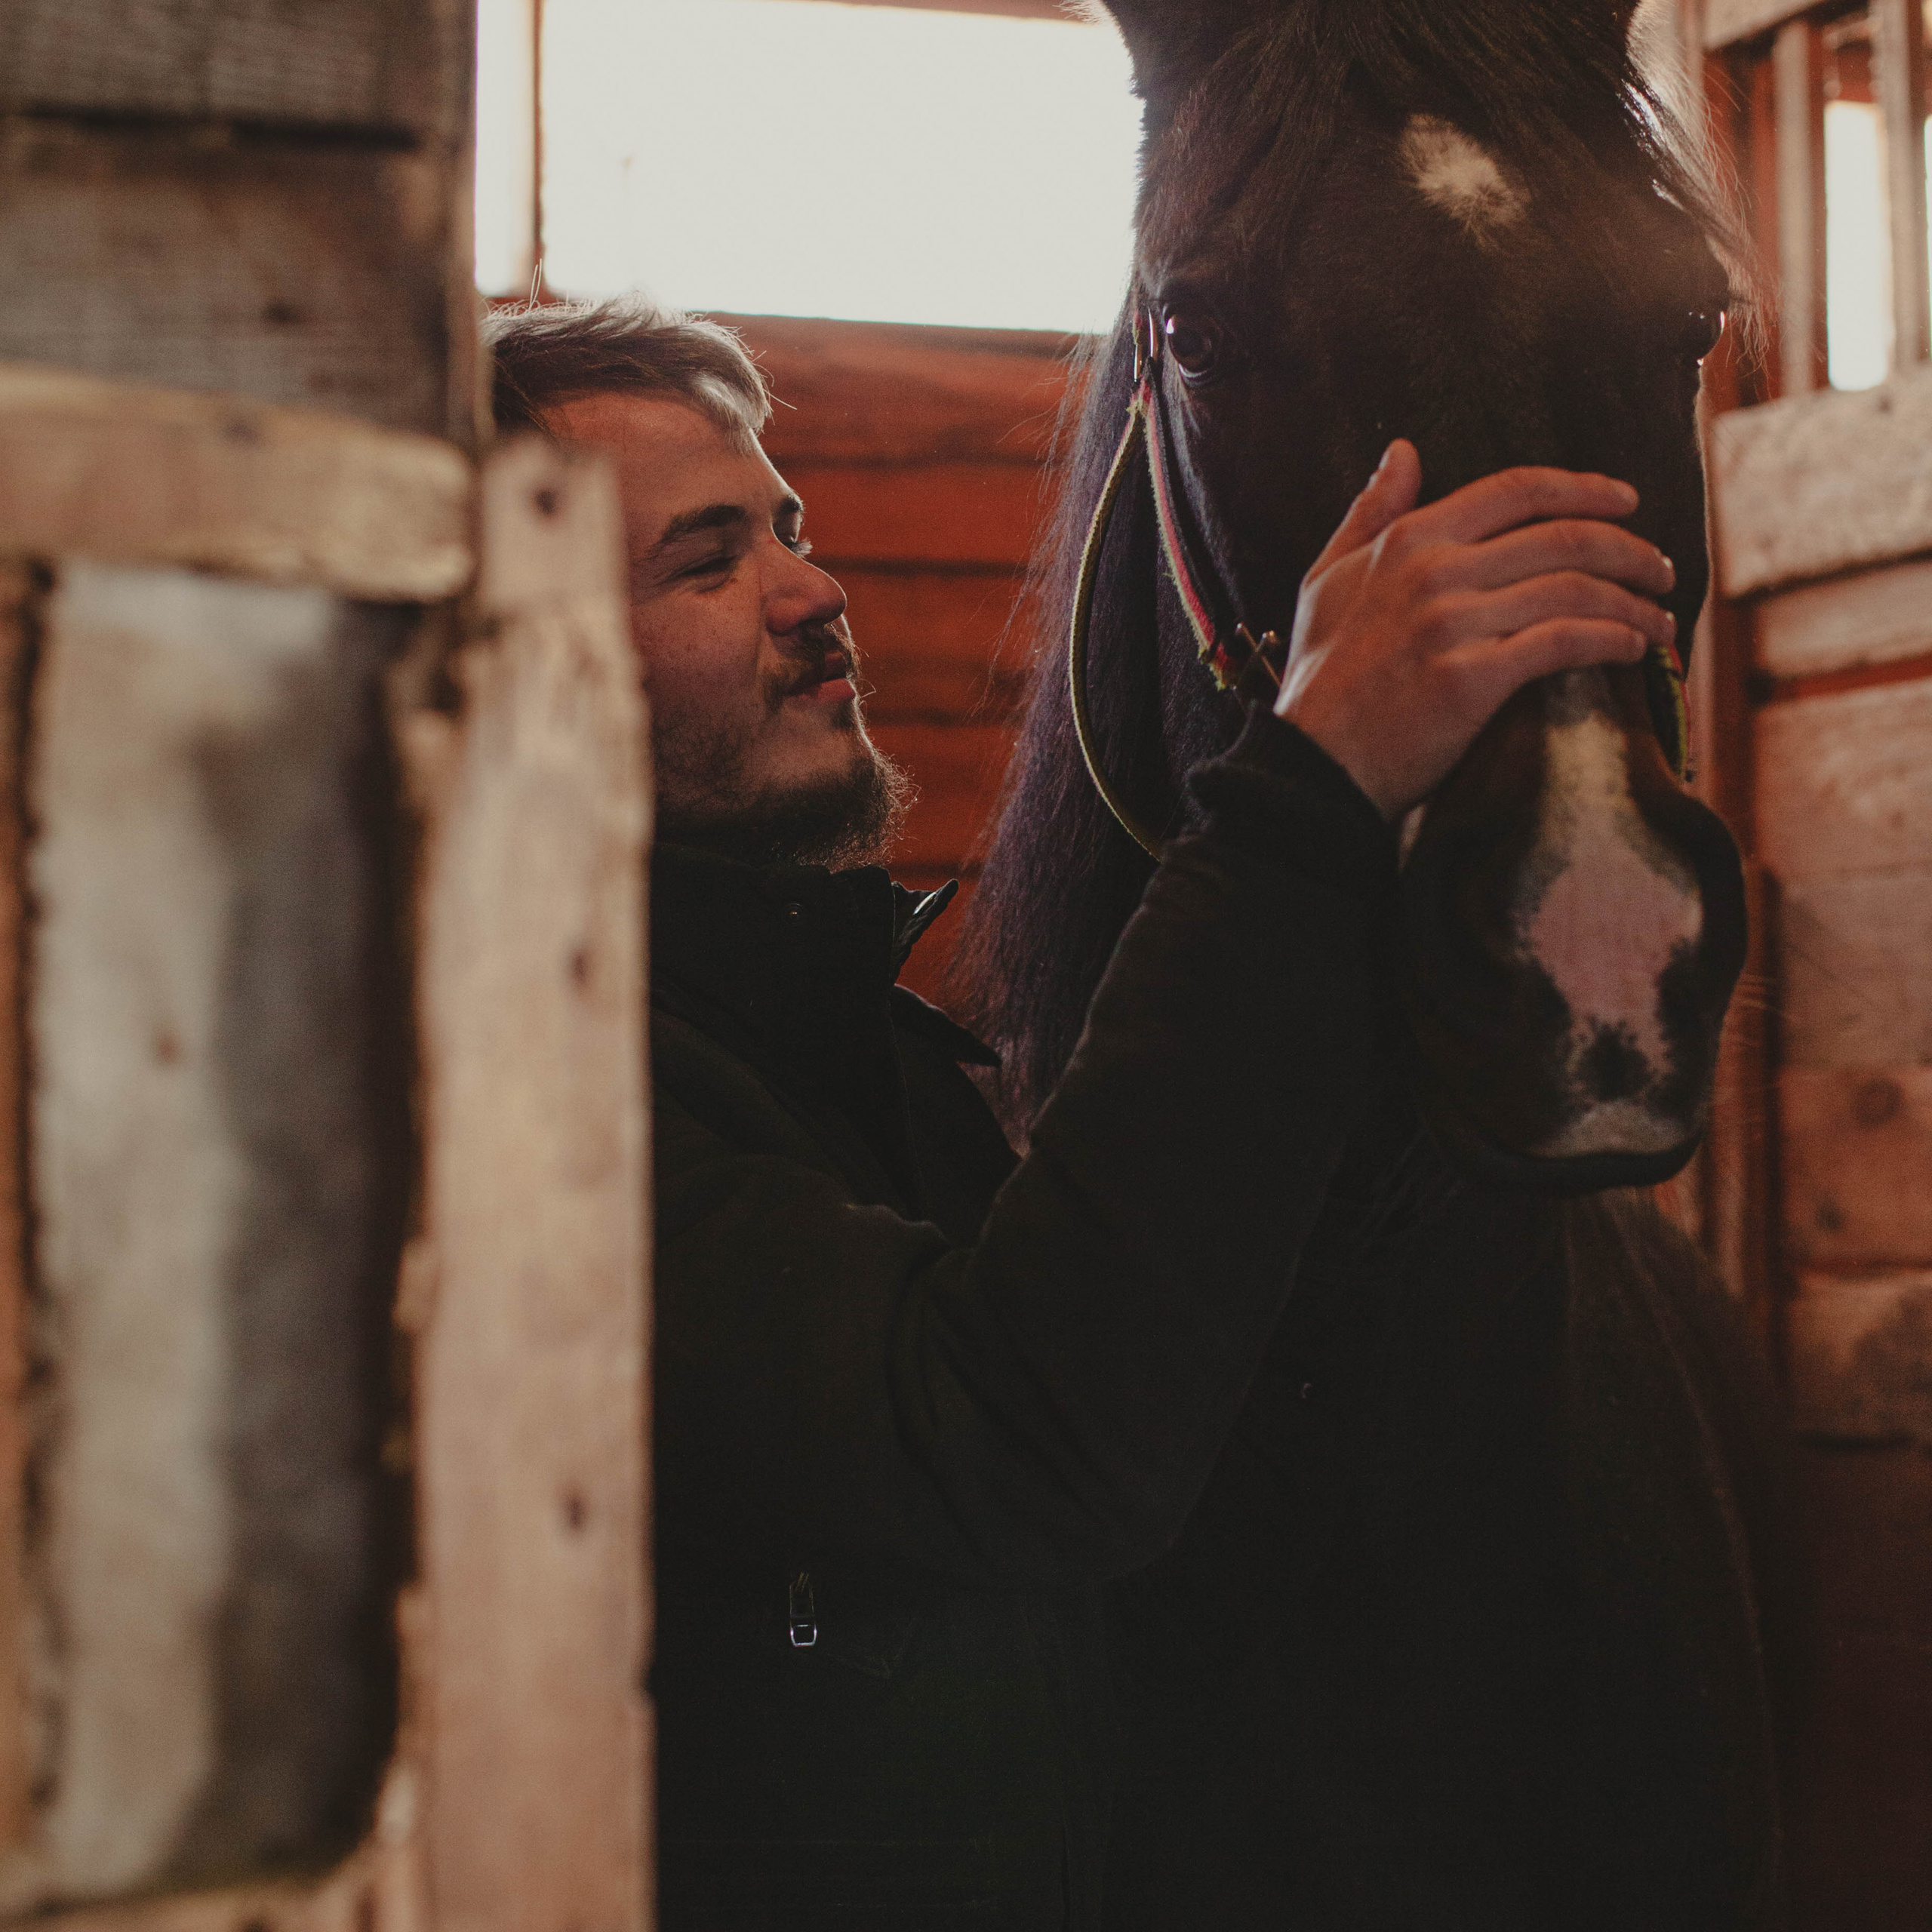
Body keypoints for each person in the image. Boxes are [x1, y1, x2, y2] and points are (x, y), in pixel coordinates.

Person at [482, 296, 1680, 1930]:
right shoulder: (524, 1103)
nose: (812, 589)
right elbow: (1006, 1435)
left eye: (791, 528)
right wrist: (1308, 786)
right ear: (500, 671)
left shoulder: (865, 1060)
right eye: (706, 561)